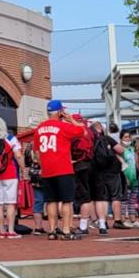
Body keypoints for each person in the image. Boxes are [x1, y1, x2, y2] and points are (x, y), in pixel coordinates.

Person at [33, 100, 83, 239]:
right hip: (63, 169)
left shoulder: (39, 128)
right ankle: (66, 230)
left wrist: (43, 164)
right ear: (60, 112)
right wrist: (71, 119)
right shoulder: (63, 127)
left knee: (51, 200)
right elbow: (82, 131)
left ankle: (52, 230)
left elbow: (36, 152)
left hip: (47, 169)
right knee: (67, 200)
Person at [0, 116, 22, 239]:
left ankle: (1, 231)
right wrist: (23, 168)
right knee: (10, 204)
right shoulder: (11, 138)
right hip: (10, 174)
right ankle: (11, 230)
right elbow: (18, 155)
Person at [120, 130, 139, 229]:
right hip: (125, 177)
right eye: (125, 137)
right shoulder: (120, 150)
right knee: (124, 200)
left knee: (132, 200)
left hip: (134, 178)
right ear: (121, 138)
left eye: (128, 137)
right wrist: (124, 177)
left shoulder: (133, 149)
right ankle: (123, 220)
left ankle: (132, 219)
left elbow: (137, 163)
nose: (127, 139)